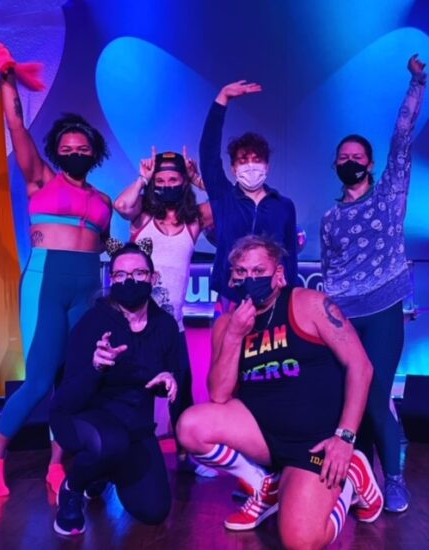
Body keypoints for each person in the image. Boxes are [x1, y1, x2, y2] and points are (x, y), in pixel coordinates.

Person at [177, 235, 383, 548]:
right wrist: (234, 335)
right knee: (191, 426)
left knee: (300, 540)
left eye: (259, 271)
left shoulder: (309, 303)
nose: (250, 278)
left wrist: (344, 437)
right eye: (242, 272)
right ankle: (265, 487)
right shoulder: (227, 324)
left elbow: (361, 367)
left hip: (316, 443)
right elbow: (218, 395)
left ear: (279, 274)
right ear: (232, 278)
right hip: (262, 437)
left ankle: (352, 480)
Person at [0, 39, 112, 496]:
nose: (75, 150)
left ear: (93, 151)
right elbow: (16, 124)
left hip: (88, 287)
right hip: (47, 283)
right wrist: (6, 76)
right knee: (39, 379)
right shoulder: (40, 179)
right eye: (67, 146)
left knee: (72, 381)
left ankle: (57, 465)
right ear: (57, 152)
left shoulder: (103, 201)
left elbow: (107, 245)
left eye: (82, 146)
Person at [320, 55, 426, 513]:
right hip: (344, 316)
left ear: (370, 163)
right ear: (335, 165)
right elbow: (329, 271)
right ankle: (356, 480)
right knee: (349, 396)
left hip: (383, 310)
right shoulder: (330, 218)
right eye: (343, 158)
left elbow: (402, 138)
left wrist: (416, 84)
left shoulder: (389, 195)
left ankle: (395, 480)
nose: (350, 162)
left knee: (377, 392)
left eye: (357, 157)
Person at [50, 243, 177, 535]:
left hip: (135, 428)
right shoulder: (94, 322)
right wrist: (96, 367)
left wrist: (167, 380)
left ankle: (103, 471)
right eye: (120, 275)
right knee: (110, 442)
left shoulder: (165, 326)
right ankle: (72, 488)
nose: (129, 281)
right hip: (82, 417)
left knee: (154, 511)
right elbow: (68, 398)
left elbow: (170, 377)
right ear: (111, 279)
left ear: (153, 278)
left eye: (138, 273)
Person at [114, 149, 216, 477]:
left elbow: (225, 202)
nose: (167, 185)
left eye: (174, 179)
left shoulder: (192, 222)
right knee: (133, 388)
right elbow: (121, 205)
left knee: (181, 391)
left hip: (173, 325)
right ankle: (122, 453)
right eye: (161, 180)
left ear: (183, 183)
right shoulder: (142, 218)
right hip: (136, 322)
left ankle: (187, 455)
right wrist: (143, 178)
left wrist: (199, 179)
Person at [199, 80, 298, 307]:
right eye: (243, 160)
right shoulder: (224, 198)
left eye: (257, 159)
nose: (250, 165)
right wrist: (222, 99)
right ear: (234, 168)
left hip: (273, 296)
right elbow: (208, 153)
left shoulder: (283, 205)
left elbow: (290, 255)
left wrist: (290, 294)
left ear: (267, 166)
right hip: (231, 293)